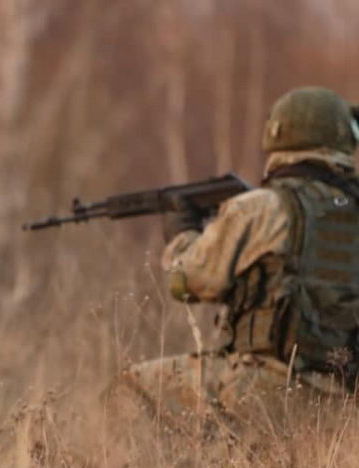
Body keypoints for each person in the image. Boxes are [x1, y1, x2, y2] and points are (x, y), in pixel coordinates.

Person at [117, 86, 359, 428]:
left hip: (268, 387)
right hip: (344, 404)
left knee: (130, 388)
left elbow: (187, 282)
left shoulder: (261, 208)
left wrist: (181, 235)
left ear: (279, 135)